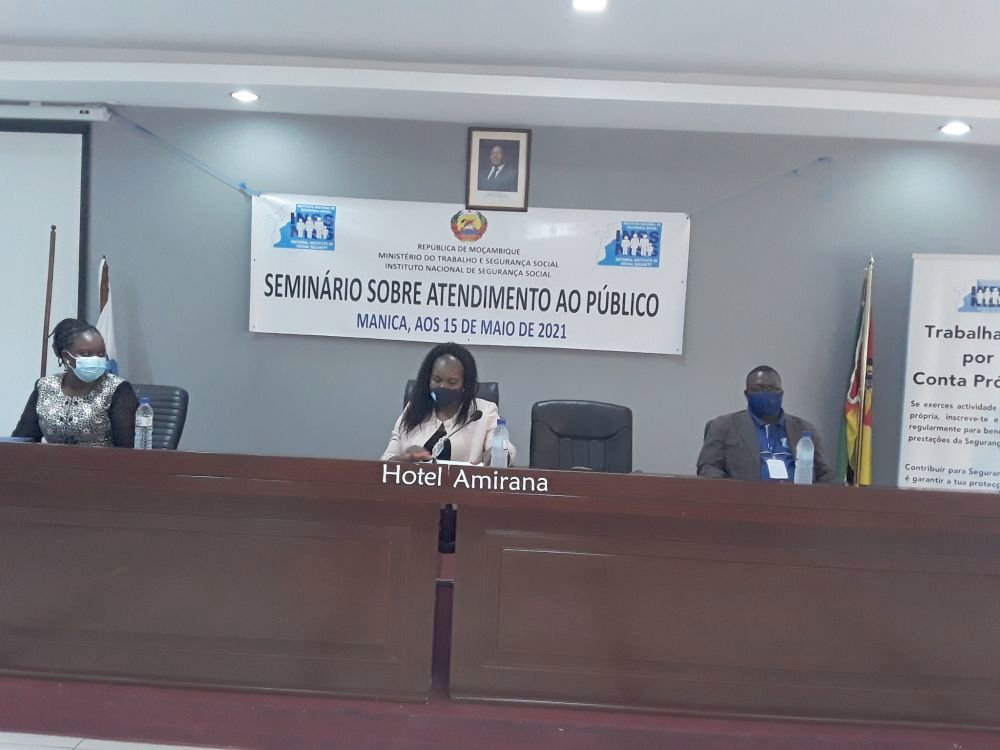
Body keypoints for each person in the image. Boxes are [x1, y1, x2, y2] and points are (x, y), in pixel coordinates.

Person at [12, 318, 139, 447]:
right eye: (86, 354)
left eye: (101, 354)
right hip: (52, 460)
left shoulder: (117, 389)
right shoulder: (45, 387)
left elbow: (128, 448)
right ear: (66, 357)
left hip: (103, 460)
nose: (96, 359)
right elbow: (22, 440)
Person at [697, 365, 836, 483]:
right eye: (758, 389)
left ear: (781, 393)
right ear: (747, 394)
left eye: (772, 389)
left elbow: (825, 474)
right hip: (745, 501)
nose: (766, 393)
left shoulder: (803, 429)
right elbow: (708, 468)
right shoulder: (725, 426)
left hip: (797, 501)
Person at [382, 342, 515, 465]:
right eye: (437, 380)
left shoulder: (483, 412)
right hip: (415, 482)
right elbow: (387, 457)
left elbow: (506, 448)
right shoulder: (414, 408)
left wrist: (498, 453)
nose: (442, 386)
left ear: (465, 384)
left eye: (452, 382)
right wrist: (403, 459)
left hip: (464, 483)